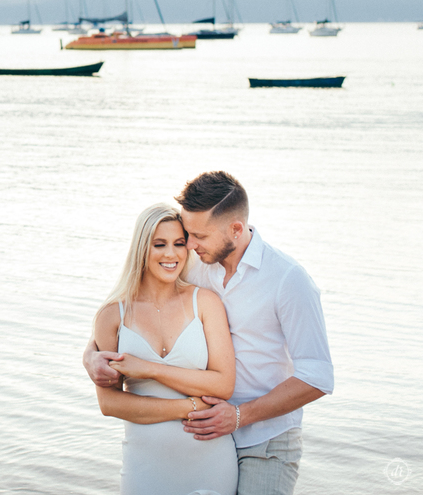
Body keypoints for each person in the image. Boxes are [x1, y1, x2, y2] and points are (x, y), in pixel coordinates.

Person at [85, 172, 334, 495]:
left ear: (235, 229)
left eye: (197, 235)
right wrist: (91, 355)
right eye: (188, 234)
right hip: (208, 431)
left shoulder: (288, 280)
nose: (188, 244)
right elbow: (132, 315)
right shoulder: (197, 264)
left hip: (265, 439)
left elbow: (318, 376)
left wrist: (240, 416)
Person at [92, 203, 239, 495]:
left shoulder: (205, 303)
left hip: (211, 465)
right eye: (159, 244)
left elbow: (223, 384)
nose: (171, 254)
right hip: (145, 468)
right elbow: (110, 404)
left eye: (179, 244)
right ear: (141, 248)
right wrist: (190, 406)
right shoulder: (112, 315)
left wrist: (149, 369)